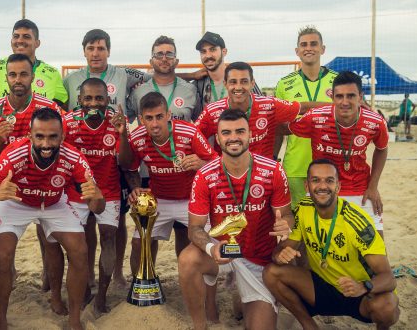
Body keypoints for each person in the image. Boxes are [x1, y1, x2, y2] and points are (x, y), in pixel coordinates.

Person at [0, 107, 105, 330]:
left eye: (53, 137)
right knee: (2, 253)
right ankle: (0, 320)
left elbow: (98, 208)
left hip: (54, 202)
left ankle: (74, 320)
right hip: (14, 201)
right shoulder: (12, 155)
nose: (46, 144)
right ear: (30, 136)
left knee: (80, 250)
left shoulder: (74, 157)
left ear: (62, 136)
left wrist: (97, 197)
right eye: (40, 137)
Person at [180, 109, 293, 330]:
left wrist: (285, 224)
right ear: (218, 137)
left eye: (240, 131)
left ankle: (243, 300)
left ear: (250, 134)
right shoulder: (204, 176)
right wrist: (212, 248)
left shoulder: (273, 170)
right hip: (222, 253)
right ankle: (200, 325)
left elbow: (287, 214)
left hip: (258, 259)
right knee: (187, 259)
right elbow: (195, 229)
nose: (233, 137)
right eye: (226, 132)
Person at [264, 159, 399, 329]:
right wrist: (280, 255)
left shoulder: (357, 222)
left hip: (358, 294)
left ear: (338, 186)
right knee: (271, 273)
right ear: (306, 186)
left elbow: (389, 278)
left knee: (386, 306)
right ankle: (309, 325)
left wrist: (362, 287)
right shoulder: (303, 208)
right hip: (322, 288)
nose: (322, 186)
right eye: (316, 180)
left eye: (329, 180)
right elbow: (281, 251)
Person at [118, 91, 216, 279]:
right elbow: (130, 168)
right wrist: (135, 187)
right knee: (138, 243)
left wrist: (202, 164)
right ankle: (142, 286)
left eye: (159, 117)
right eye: (149, 118)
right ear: (140, 119)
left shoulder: (189, 132)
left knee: (205, 243)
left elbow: (218, 166)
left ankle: (201, 284)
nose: (155, 124)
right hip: (159, 199)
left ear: (168, 115)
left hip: (191, 200)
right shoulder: (137, 137)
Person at [287, 71, 388, 237]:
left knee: (376, 247)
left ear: (360, 97)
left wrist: (373, 186)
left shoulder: (375, 122)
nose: (345, 102)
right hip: (323, 188)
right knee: (305, 247)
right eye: (339, 96)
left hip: (360, 190)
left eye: (351, 96)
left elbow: (382, 149)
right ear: (332, 97)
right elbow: (284, 128)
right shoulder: (315, 117)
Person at [62, 78, 124, 313]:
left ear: (107, 100)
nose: (93, 103)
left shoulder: (116, 122)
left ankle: (102, 296)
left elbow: (127, 162)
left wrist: (124, 134)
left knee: (108, 238)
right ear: (79, 101)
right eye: (88, 98)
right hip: (76, 191)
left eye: (99, 98)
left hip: (108, 189)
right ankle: (85, 287)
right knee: (77, 243)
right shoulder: (68, 122)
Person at [195, 62, 326, 158]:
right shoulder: (212, 111)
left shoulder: (268, 105)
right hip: (227, 175)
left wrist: (337, 109)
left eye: (244, 81)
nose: (238, 87)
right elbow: (193, 136)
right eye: (233, 82)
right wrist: (208, 161)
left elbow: (302, 108)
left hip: (263, 177)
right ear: (225, 84)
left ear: (252, 84)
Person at [274, 26, 339, 209]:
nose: (308, 48)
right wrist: (273, 157)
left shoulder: (338, 81)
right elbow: (278, 128)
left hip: (331, 164)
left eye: (313, 44)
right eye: (303, 44)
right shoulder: (284, 85)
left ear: (323, 49)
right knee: (299, 223)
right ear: (297, 51)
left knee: (328, 219)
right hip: (295, 165)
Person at [0, 19, 68, 106]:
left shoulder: (52, 73)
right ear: (11, 42)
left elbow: (61, 105)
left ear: (37, 43)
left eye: (26, 37)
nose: (20, 40)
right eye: (16, 36)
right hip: (6, 120)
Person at [63, 29, 150, 112]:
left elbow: (153, 78)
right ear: (84, 52)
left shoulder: (123, 74)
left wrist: (138, 89)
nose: (95, 54)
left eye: (101, 49)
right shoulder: (70, 79)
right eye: (90, 48)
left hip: (116, 127)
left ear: (108, 51)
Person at [126, 35, 198, 123]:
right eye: (159, 55)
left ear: (176, 61)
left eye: (169, 54)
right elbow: (123, 123)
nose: (164, 59)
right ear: (151, 62)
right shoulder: (138, 92)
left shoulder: (190, 90)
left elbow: (202, 124)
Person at [191, 31, 262, 116]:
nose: (208, 55)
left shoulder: (242, 78)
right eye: (203, 51)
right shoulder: (197, 85)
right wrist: (191, 75)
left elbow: (261, 108)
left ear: (224, 52)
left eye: (212, 49)